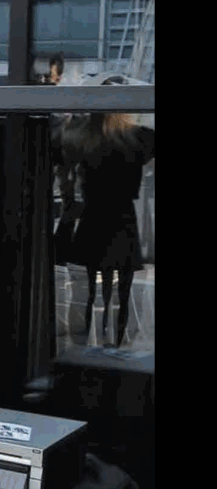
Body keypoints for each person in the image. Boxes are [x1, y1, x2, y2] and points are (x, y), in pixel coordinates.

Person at [57, 105, 154, 348]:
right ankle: (117, 341)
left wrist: (70, 202)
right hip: (122, 215)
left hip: (95, 214)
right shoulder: (137, 137)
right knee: (123, 288)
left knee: (91, 288)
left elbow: (65, 169)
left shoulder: (84, 139)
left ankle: (91, 340)